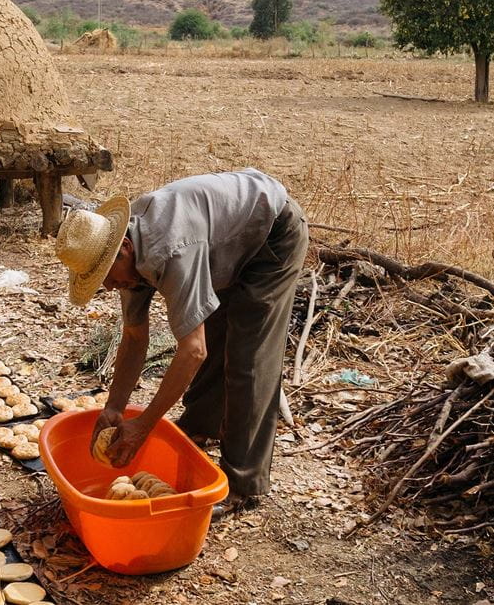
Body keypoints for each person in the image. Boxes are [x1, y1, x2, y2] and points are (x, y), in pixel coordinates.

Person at [54, 168, 309, 518]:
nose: (109, 288)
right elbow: (133, 335)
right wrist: (114, 406)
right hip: (223, 241)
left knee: (249, 357)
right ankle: (201, 426)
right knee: (215, 331)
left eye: (107, 279)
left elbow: (192, 350)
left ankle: (242, 485)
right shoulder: (126, 259)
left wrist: (144, 425)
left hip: (271, 233)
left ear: (124, 249)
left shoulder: (168, 252)